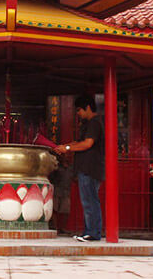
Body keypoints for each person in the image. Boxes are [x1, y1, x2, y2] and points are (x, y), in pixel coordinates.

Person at [55, 95, 104, 242]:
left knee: (90, 200)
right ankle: (89, 231)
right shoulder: (89, 123)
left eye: (79, 110)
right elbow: (80, 142)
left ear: (88, 107)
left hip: (90, 168)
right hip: (86, 168)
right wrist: (66, 146)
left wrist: (68, 148)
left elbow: (87, 144)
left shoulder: (94, 123)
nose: (78, 114)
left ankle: (93, 233)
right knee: (89, 200)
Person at [48, 153, 74, 235]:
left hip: (66, 191)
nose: (66, 157)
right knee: (55, 209)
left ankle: (62, 227)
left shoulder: (71, 168)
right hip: (56, 190)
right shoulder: (56, 167)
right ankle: (55, 227)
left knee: (65, 210)